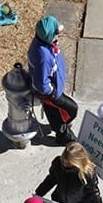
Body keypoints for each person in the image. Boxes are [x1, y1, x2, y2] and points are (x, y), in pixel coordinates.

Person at [27, 15, 78, 144]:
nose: (58, 35)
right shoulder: (43, 57)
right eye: (56, 33)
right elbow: (41, 83)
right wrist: (52, 92)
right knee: (71, 109)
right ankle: (63, 136)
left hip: (55, 88)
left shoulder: (45, 43)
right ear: (49, 37)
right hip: (50, 93)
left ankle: (61, 127)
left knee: (57, 113)